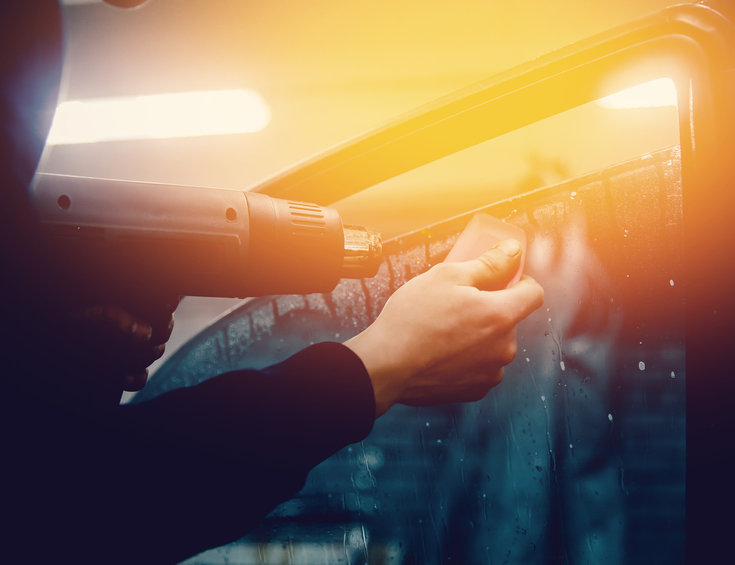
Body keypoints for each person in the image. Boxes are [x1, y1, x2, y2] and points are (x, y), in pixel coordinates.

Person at [0, 1, 544, 563]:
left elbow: (50, 471)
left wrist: (50, 367)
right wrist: (381, 361)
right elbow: (71, 506)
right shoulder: (21, 32)